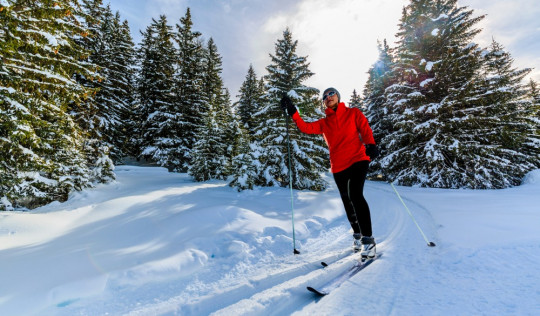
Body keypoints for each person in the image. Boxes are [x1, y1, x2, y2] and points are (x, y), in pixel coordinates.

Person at [280, 88, 379, 258]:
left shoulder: (353, 113)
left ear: (338, 96)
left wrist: (370, 144)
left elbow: (364, 128)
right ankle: (357, 235)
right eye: (325, 97)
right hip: (339, 165)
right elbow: (305, 127)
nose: (328, 97)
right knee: (347, 201)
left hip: (358, 158)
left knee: (355, 194)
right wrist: (294, 112)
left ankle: (368, 241)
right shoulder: (324, 123)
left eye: (331, 94)